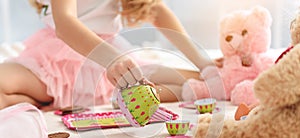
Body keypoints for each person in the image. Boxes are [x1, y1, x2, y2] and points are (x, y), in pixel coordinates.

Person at [0, 0, 222, 110]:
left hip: (113, 57)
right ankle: (39, 102)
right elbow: (65, 24)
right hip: (59, 56)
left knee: (205, 81)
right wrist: (112, 59)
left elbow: (156, 10)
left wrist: (205, 64)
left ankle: (41, 102)